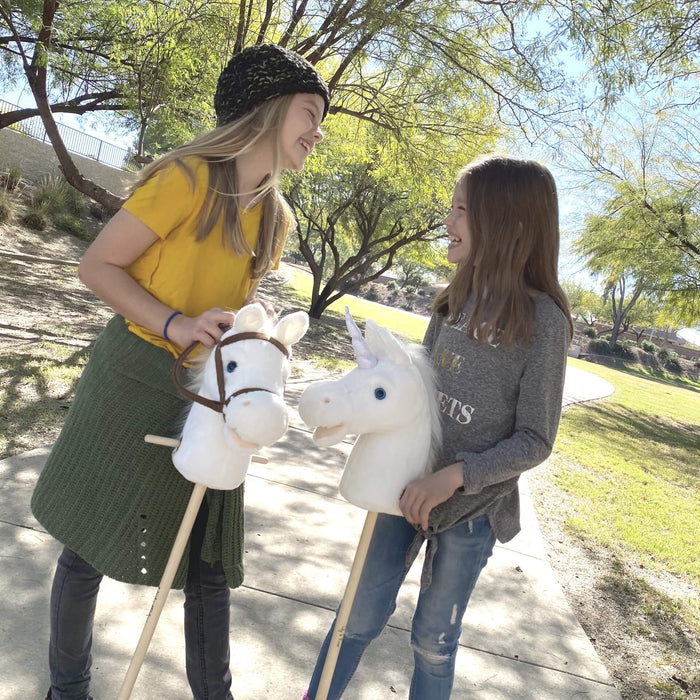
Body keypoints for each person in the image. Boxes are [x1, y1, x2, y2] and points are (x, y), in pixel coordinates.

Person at [31, 43, 329, 700]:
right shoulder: (185, 180)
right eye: (310, 113)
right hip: (131, 382)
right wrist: (177, 325)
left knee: (208, 560)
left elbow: (224, 300)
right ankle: (67, 690)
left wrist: (253, 324)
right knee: (89, 548)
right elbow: (97, 267)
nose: (318, 132)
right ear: (266, 110)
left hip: (209, 399)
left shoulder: (276, 217)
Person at [304, 156, 573, 699]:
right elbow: (416, 393)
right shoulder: (454, 299)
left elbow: (536, 439)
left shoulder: (545, 322)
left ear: (511, 224)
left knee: (433, 642)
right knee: (355, 619)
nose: (447, 222)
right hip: (400, 487)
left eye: (461, 210)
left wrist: (452, 477)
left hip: (471, 511)